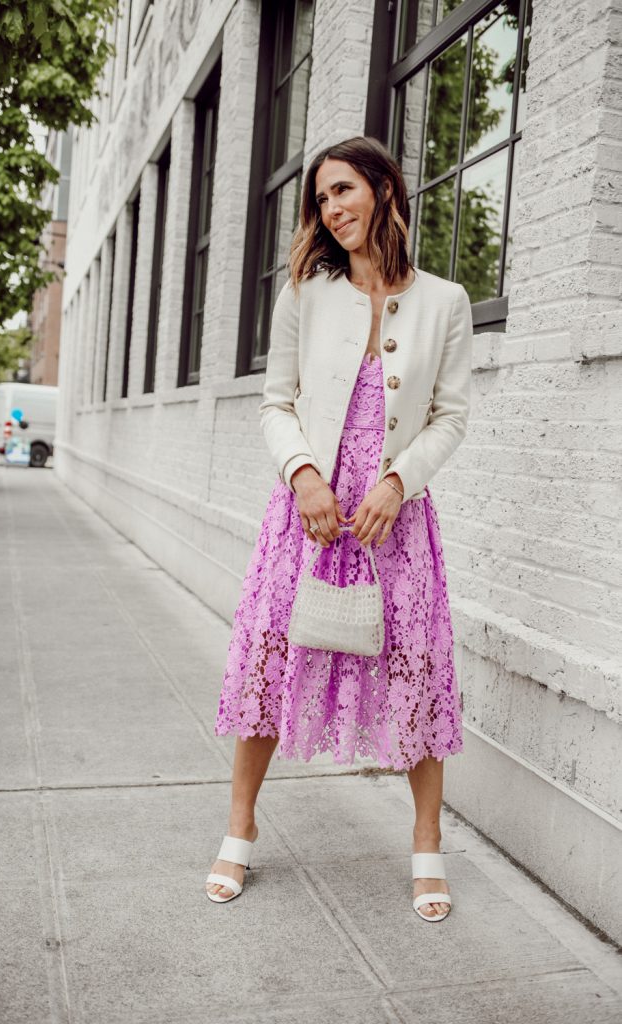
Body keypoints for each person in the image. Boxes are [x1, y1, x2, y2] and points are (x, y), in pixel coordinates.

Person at [206, 136, 473, 922]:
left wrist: (398, 480)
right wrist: (303, 475)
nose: (332, 209)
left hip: (394, 522)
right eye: (322, 199)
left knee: (416, 675)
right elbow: (274, 401)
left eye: (344, 190)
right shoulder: (306, 293)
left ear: (384, 190)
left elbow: (450, 417)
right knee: (269, 661)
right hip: (308, 517)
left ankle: (426, 848)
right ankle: (238, 828)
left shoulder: (444, 302)